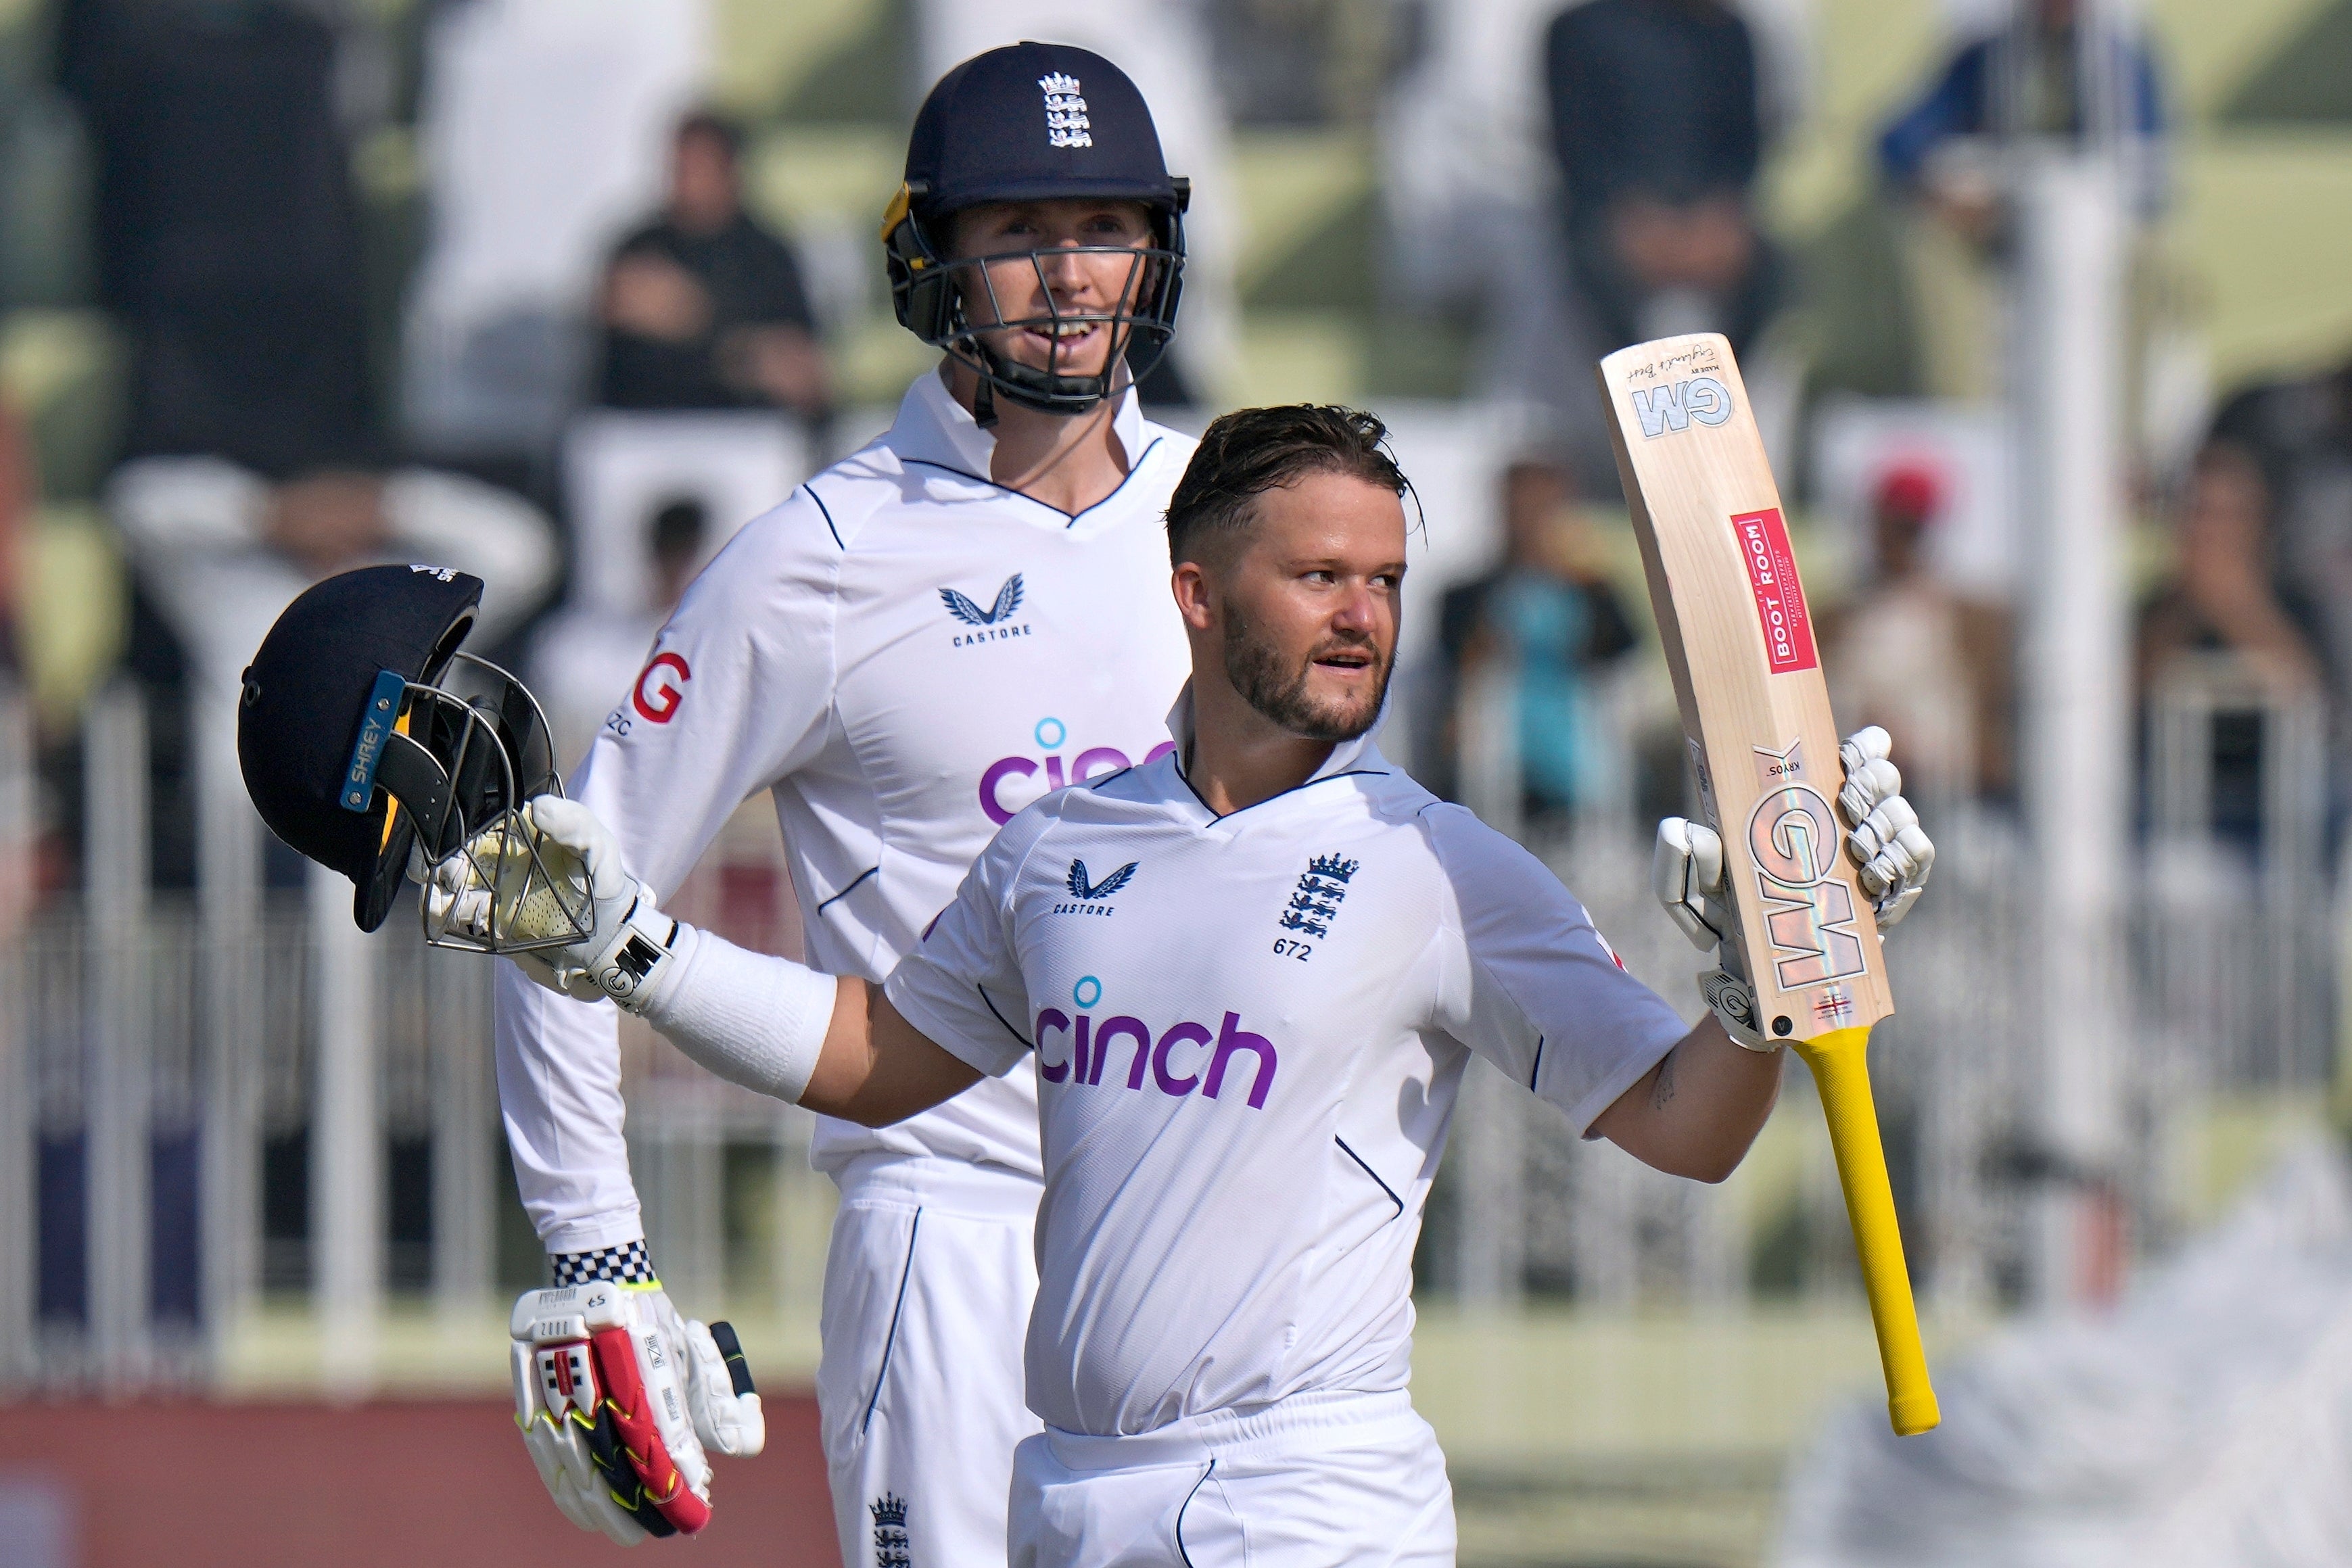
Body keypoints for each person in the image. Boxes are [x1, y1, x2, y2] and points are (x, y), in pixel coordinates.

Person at [488, 403, 1935, 1564]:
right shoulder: (1055, 845)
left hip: (1307, 1499)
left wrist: (1759, 992)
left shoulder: (1437, 864)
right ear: (1192, 592)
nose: (1361, 616)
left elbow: (1687, 1124)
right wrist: (635, 950)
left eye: (1382, 579)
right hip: (1064, 1493)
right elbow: (879, 1053)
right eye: (1317, 576)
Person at [494, 43, 1199, 1563]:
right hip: (951, 1240)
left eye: (1105, 228)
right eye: (1017, 232)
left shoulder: (1236, 515)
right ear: (929, 259)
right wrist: (593, 1250)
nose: (1069, 277)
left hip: (1212, 1246)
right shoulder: (812, 559)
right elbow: (556, 896)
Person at [1543, 0, 1778, 354]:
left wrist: (1714, 223)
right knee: (1592, 273)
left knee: (1769, 270)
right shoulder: (1576, 30)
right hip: (1612, 220)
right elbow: (1576, 148)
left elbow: (1743, 147)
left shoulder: (1729, 31)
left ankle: (1716, 399)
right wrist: (1639, 224)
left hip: (1709, 218)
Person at [1437, 457, 1639, 823]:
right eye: (1521, 509)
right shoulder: (1469, 593)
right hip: (1497, 738)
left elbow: (1623, 650)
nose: (1532, 523)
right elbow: (1451, 658)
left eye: (1544, 509)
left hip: (1579, 727)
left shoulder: (1592, 591)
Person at [596, 110, 830, 419]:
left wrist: (694, 318)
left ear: (730, 170)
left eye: (699, 167)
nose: (685, 179)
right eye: (679, 166)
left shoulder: (767, 256)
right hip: (642, 430)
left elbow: (801, 371)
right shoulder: (640, 249)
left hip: (742, 436)